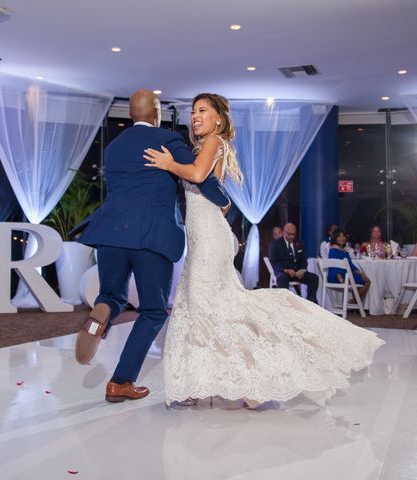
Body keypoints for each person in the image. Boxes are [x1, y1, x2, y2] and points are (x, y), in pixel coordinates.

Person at [144, 92, 383, 408]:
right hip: (203, 235)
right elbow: (212, 190)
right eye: (193, 112)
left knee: (209, 305)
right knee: (197, 306)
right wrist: (221, 204)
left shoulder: (214, 141)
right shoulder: (203, 147)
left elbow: (199, 176)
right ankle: (209, 383)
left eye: (202, 110)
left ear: (218, 118)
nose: (195, 116)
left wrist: (169, 164)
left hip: (209, 239)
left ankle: (247, 381)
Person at [73, 89, 230, 403]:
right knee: (153, 311)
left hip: (111, 234)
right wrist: (224, 202)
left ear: (131, 115)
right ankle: (120, 381)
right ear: (156, 113)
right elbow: (201, 178)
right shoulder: (169, 141)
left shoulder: (114, 147)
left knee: (111, 295)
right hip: (151, 236)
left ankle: (102, 312)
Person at [269, 223, 319, 304]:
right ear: (284, 232)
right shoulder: (276, 244)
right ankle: (285, 303)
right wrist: (286, 270)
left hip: (297, 272)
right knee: (282, 279)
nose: (292, 237)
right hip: (283, 272)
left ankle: (311, 302)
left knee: (314, 278)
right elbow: (274, 262)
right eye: (289, 234)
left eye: (293, 234)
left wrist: (302, 270)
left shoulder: (299, 243)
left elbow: (303, 259)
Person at [328, 228, 371, 303]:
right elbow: (334, 266)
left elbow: (351, 266)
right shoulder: (333, 250)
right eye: (339, 236)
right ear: (335, 238)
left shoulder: (343, 250)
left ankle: (354, 302)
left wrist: (361, 273)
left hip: (346, 275)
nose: (342, 238)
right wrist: (341, 280)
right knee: (365, 282)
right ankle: (353, 303)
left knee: (366, 280)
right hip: (336, 276)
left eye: (343, 236)